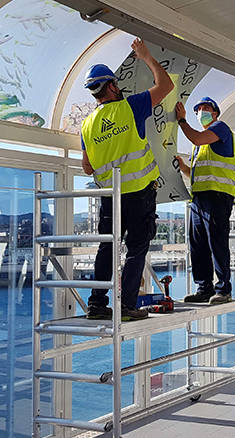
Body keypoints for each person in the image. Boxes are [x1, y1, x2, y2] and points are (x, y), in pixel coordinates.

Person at [81, 38, 173, 320]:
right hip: (138, 193)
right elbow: (166, 86)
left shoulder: (87, 124)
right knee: (136, 249)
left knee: (107, 247)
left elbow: (86, 167)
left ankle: (97, 304)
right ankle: (127, 305)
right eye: (115, 84)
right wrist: (146, 56)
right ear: (110, 86)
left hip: (110, 196)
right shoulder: (130, 107)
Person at [174, 97, 235, 304]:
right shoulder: (200, 146)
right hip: (199, 197)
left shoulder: (220, 128)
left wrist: (182, 121)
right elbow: (197, 172)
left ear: (215, 112)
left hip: (217, 195)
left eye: (206, 108)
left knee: (217, 242)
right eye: (198, 109)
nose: (201, 112)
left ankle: (223, 290)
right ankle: (204, 288)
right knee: (198, 244)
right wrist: (182, 167)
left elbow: (196, 138)